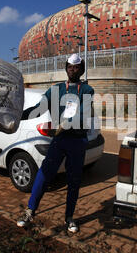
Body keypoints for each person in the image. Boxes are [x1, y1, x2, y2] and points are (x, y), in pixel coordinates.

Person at [17, 53, 94, 233]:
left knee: (74, 180)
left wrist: (65, 125)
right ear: (66, 68)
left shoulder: (87, 90)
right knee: (44, 174)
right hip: (60, 141)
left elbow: (83, 113)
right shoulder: (56, 90)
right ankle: (30, 211)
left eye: (75, 67)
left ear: (81, 69)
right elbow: (39, 109)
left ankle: (69, 217)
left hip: (77, 141)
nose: (72, 70)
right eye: (69, 67)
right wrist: (19, 117)